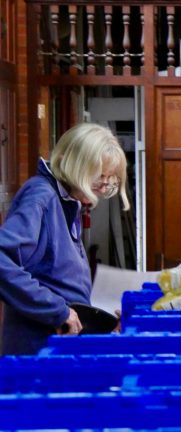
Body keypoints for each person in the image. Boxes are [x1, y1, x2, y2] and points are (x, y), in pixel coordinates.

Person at [0, 123, 130, 355]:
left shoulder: (68, 201)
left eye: (109, 178)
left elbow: (57, 277)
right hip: (37, 348)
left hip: (56, 343)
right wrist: (57, 311)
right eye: (100, 176)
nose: (103, 186)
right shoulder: (42, 197)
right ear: (77, 166)